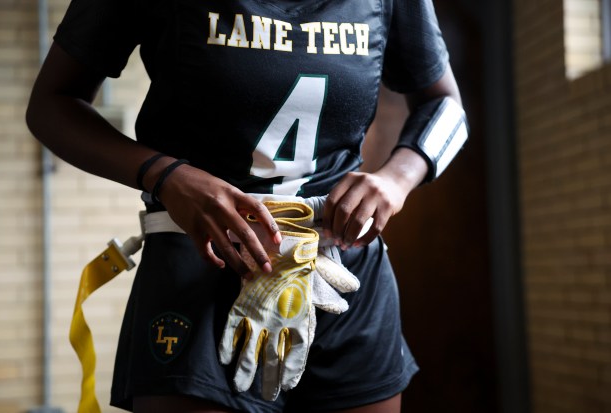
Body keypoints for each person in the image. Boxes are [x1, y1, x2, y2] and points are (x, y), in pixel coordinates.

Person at [26, 0, 467, 411]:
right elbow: (51, 104)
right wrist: (166, 174)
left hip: (341, 268)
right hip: (204, 260)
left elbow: (447, 105)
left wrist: (397, 179)